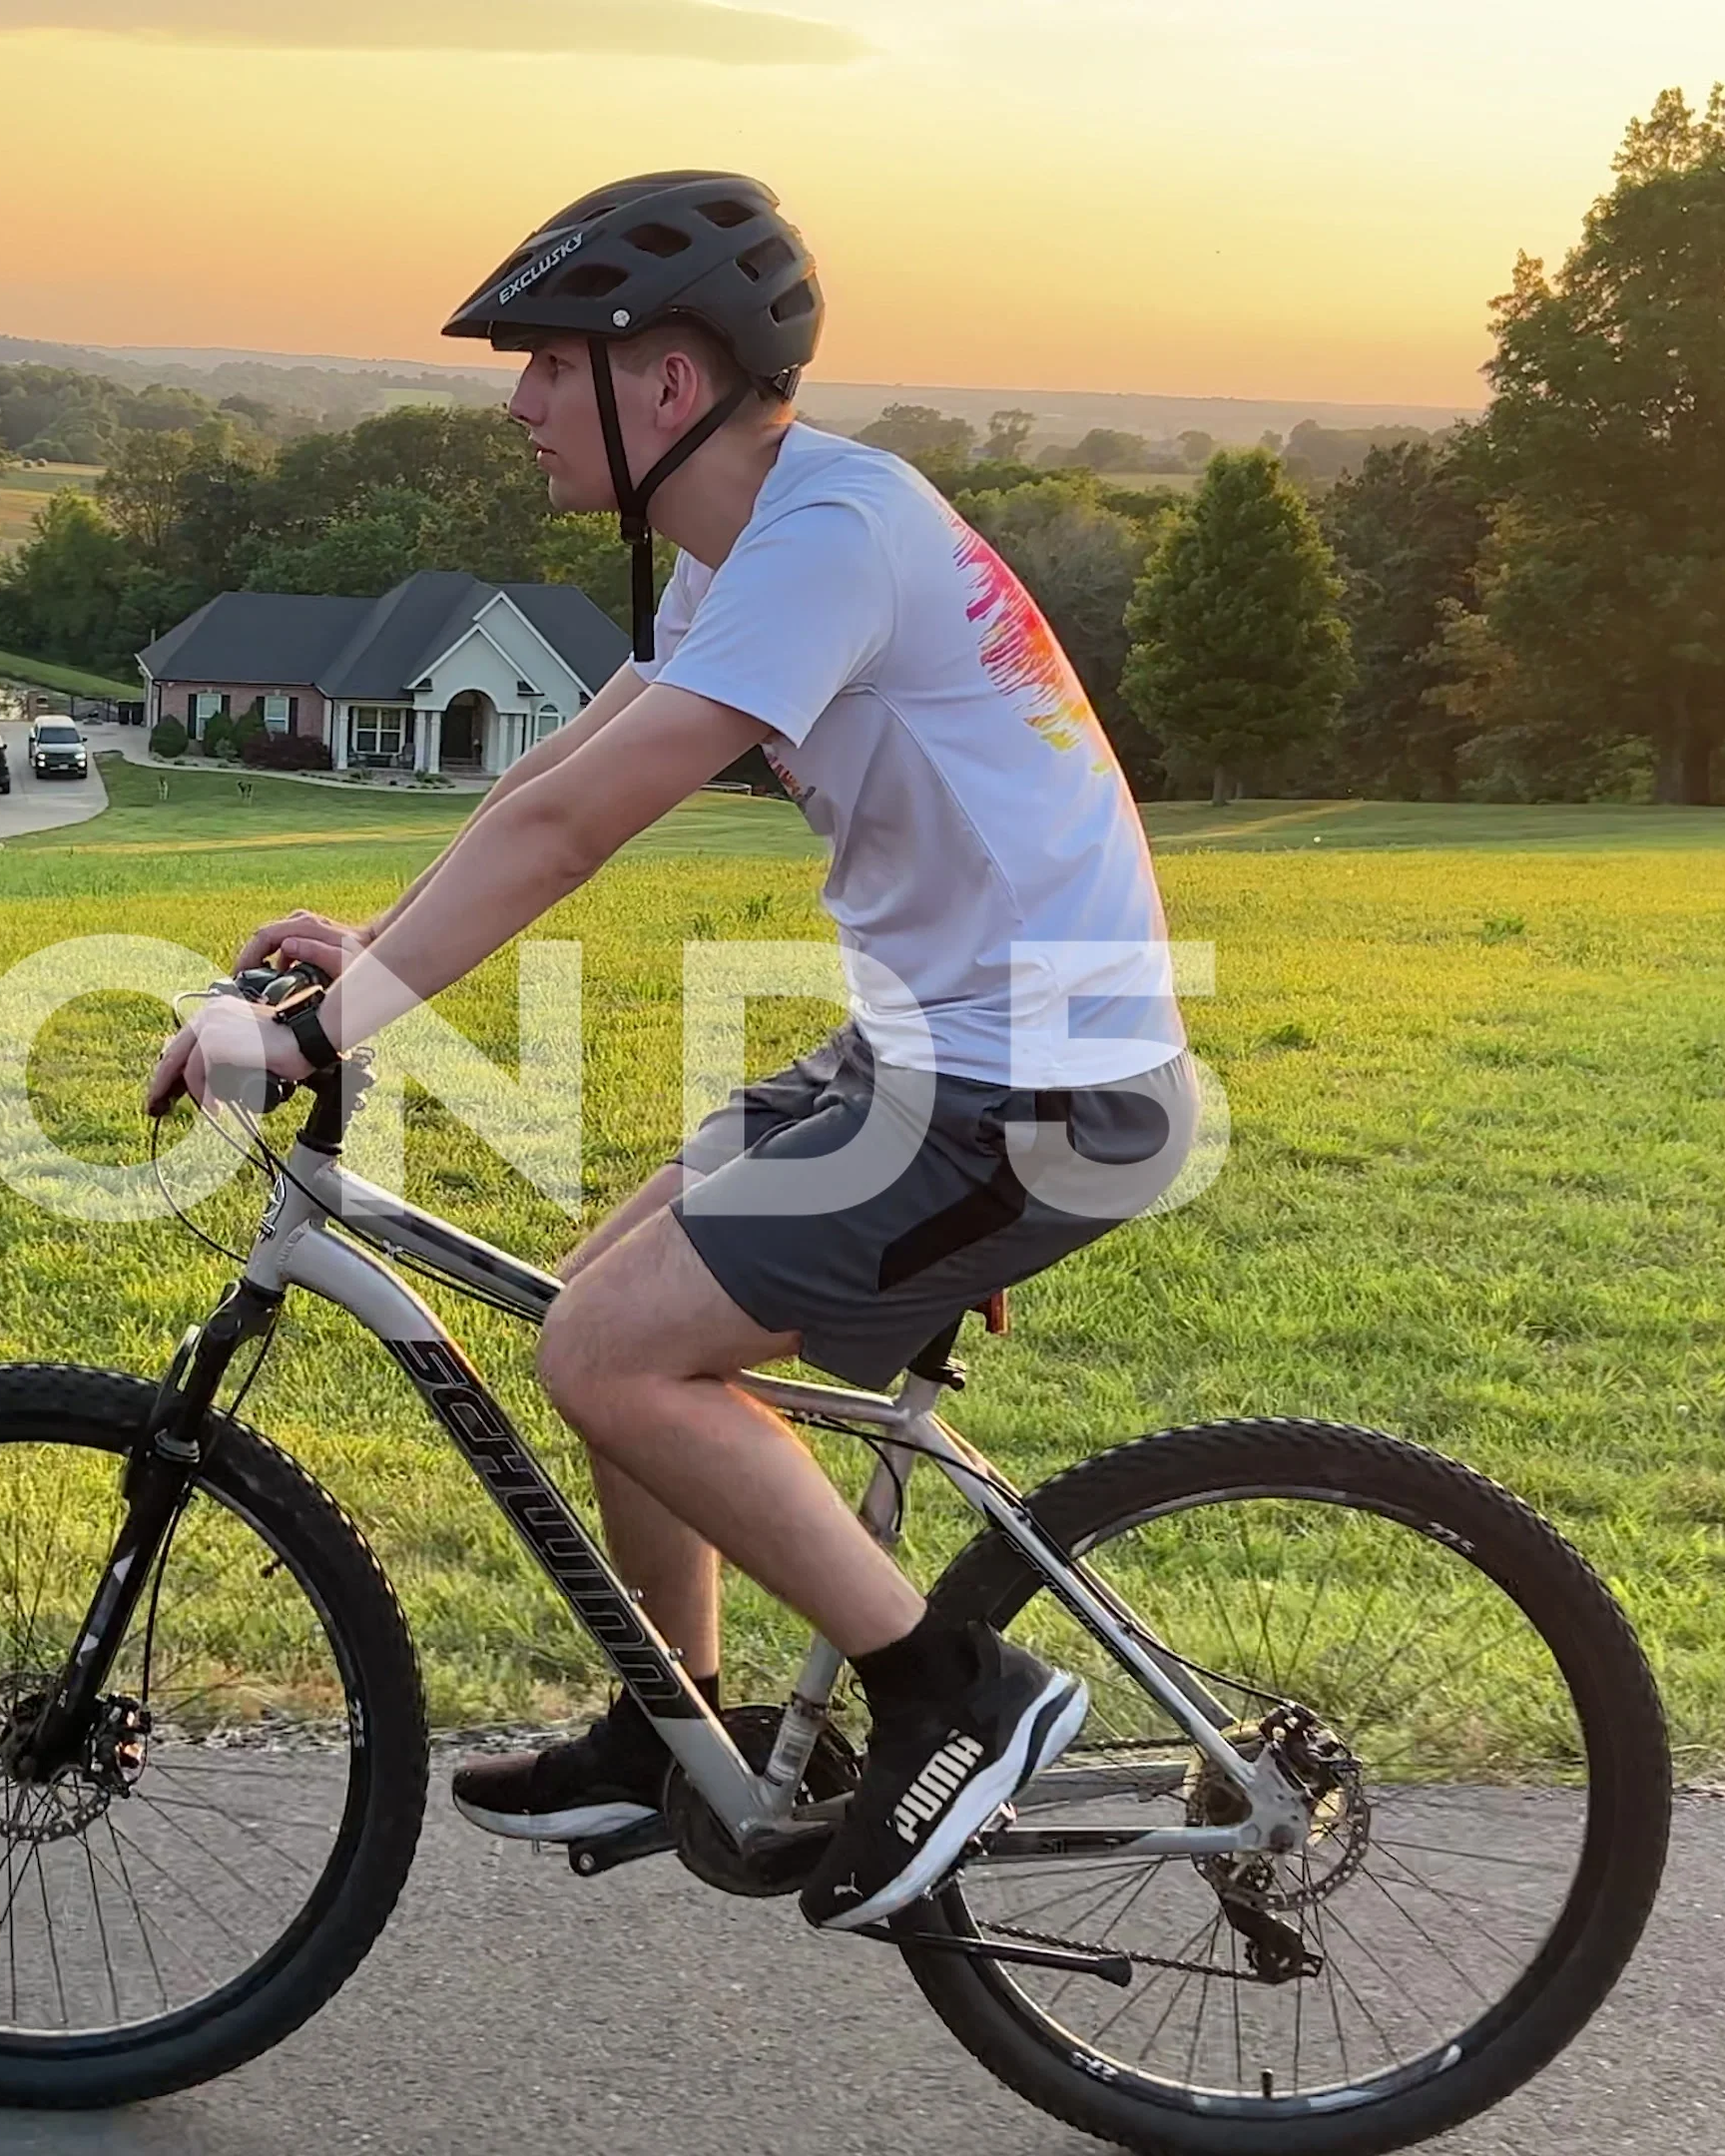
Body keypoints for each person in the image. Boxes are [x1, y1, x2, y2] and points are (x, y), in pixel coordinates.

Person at [142, 172, 1201, 1932]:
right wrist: (372, 953)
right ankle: (679, 1726)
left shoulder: (826, 542)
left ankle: (953, 1692)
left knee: (616, 1358)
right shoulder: (751, 546)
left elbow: (586, 834)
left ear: (667, 381)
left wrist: (330, 1029)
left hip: (1041, 1097)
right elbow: (551, 781)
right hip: (934, 1057)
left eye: (549, 362)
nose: (517, 401)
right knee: (600, 1300)